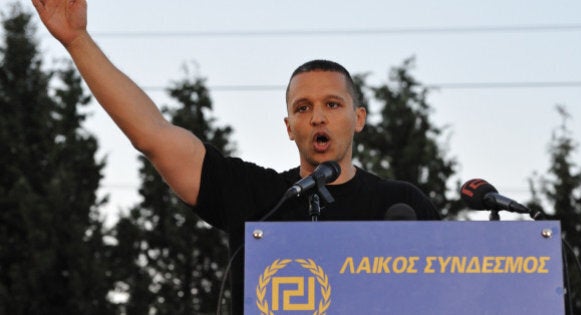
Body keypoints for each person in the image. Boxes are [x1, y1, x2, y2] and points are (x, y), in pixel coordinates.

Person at [32, 0, 441, 313]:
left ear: (359, 118)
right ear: (288, 127)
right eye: (302, 108)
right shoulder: (256, 196)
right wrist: (76, 40)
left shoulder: (401, 204)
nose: (317, 116)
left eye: (333, 104)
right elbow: (153, 135)